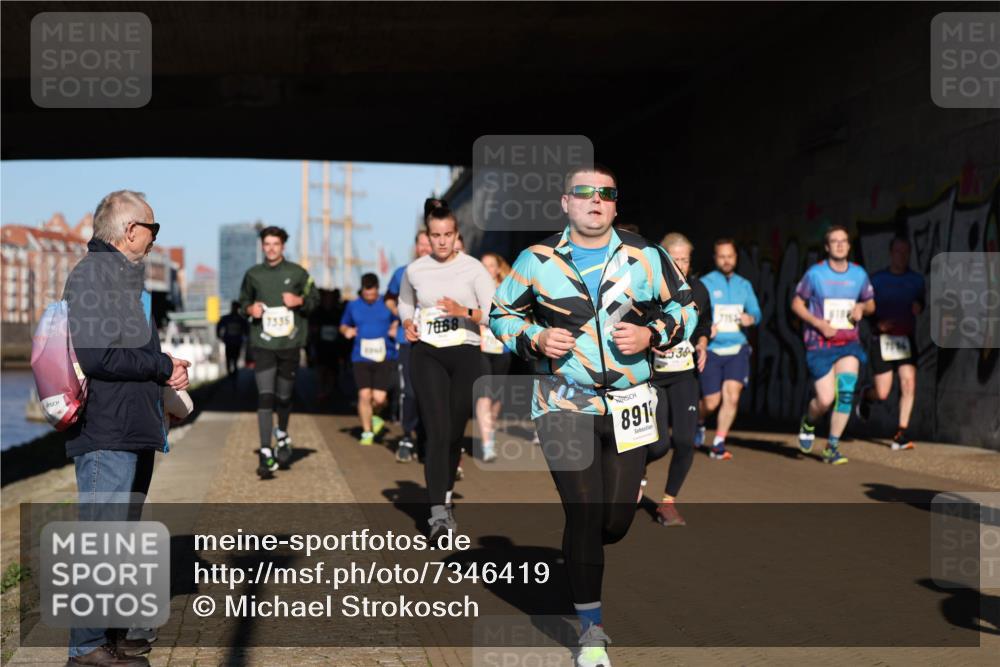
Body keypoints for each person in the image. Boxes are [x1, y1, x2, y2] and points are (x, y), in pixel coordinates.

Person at [490, 165, 695, 667]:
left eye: (605, 194)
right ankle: (591, 631)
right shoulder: (537, 260)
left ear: (616, 205)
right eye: (584, 194)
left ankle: (589, 551)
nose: (595, 201)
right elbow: (500, 314)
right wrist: (534, 338)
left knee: (615, 521)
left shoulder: (646, 257)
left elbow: (687, 307)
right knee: (582, 512)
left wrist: (653, 334)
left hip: (630, 403)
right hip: (563, 402)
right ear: (566, 203)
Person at [63, 190, 190, 666]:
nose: (157, 237)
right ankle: (86, 648)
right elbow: (98, 357)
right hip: (107, 431)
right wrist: (160, 366)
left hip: (130, 427)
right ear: (130, 229)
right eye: (153, 227)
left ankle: (111, 640)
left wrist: (163, 369)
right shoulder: (94, 275)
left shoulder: (118, 275)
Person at [397, 206, 495, 543]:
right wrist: (408, 323)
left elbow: (495, 313)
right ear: (427, 236)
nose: (440, 242)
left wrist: (462, 311)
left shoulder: (474, 268)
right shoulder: (415, 270)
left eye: (446, 235)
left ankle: (447, 495)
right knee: (436, 432)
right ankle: (438, 514)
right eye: (434, 235)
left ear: (456, 236)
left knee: (454, 433)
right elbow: (405, 303)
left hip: (465, 353)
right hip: (426, 354)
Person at [239, 226, 318, 478]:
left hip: (289, 345)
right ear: (262, 246)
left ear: (283, 246)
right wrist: (250, 310)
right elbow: (241, 304)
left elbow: (316, 299)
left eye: (276, 244)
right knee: (265, 395)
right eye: (267, 244)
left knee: (283, 397)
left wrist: (300, 301)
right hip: (262, 343)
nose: (271, 248)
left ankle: (281, 433)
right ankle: (265, 452)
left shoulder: (298, 273)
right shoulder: (253, 275)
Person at [792, 225, 875, 465]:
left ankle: (832, 446)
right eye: (834, 241)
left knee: (846, 392)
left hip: (849, 343)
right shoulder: (815, 274)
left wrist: (861, 308)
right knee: (826, 399)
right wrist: (818, 323)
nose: (840, 245)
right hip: (820, 344)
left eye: (844, 241)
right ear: (827, 247)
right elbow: (796, 304)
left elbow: (871, 304)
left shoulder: (859, 274)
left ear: (849, 246)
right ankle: (809, 421)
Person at [646, 233, 711, 527]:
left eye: (686, 259)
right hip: (654, 378)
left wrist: (702, 343)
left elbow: (704, 324)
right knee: (657, 445)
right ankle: (636, 474)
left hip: (685, 375)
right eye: (676, 259)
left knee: (685, 441)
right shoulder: (647, 291)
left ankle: (668, 503)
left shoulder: (698, 290)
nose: (682, 264)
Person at [696, 239, 762, 460]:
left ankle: (719, 442)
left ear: (736, 258)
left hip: (737, 349)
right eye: (722, 256)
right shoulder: (705, 283)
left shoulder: (744, 285)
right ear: (715, 258)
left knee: (732, 397)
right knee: (712, 401)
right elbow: (693, 314)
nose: (726, 260)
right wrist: (704, 328)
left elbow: (757, 313)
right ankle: (699, 421)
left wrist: (750, 318)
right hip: (712, 350)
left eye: (730, 256)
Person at [857, 236, 925, 450]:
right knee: (883, 392)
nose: (902, 256)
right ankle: (866, 395)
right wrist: (877, 324)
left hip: (905, 339)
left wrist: (919, 306)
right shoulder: (877, 280)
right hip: (883, 340)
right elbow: (864, 308)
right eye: (898, 252)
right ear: (891, 253)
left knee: (908, 383)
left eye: (906, 252)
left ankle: (900, 434)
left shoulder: (916, 280)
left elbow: (921, 302)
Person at [385, 223, 434, 462]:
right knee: (410, 391)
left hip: (437, 340)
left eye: (429, 242)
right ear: (416, 246)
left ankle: (427, 438)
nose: (425, 247)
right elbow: (390, 300)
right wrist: (404, 318)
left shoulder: (444, 272)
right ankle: (406, 436)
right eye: (421, 243)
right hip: (408, 340)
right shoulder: (402, 272)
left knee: (432, 392)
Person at [340, 273, 399, 445]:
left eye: (373, 295)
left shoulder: (387, 304)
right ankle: (367, 432)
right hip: (361, 356)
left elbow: (400, 319)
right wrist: (347, 331)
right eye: (367, 295)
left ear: (377, 290)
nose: (370, 298)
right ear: (362, 290)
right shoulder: (353, 305)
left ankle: (375, 415)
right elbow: (343, 325)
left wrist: (395, 327)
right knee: (364, 394)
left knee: (379, 398)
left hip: (384, 356)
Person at [476, 252, 513, 462]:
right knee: (484, 395)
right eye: (483, 265)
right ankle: (487, 443)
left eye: (490, 265)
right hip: (480, 348)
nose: (486, 269)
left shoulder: (507, 290)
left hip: (502, 349)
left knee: (496, 399)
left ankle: (490, 431)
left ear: (497, 268)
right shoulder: (474, 288)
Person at [310, 289, 344, 402]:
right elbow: (312, 328)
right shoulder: (317, 312)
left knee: (332, 371)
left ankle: (329, 391)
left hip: (334, 347)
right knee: (321, 369)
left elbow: (342, 329)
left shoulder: (338, 312)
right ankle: (321, 391)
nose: (328, 300)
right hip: (321, 346)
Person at [216, 301, 248, 379]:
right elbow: (219, 326)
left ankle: (233, 374)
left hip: (236, 343)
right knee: (229, 358)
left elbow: (246, 330)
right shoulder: (227, 318)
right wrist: (220, 336)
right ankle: (230, 374)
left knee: (235, 359)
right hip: (229, 342)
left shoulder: (240, 319)